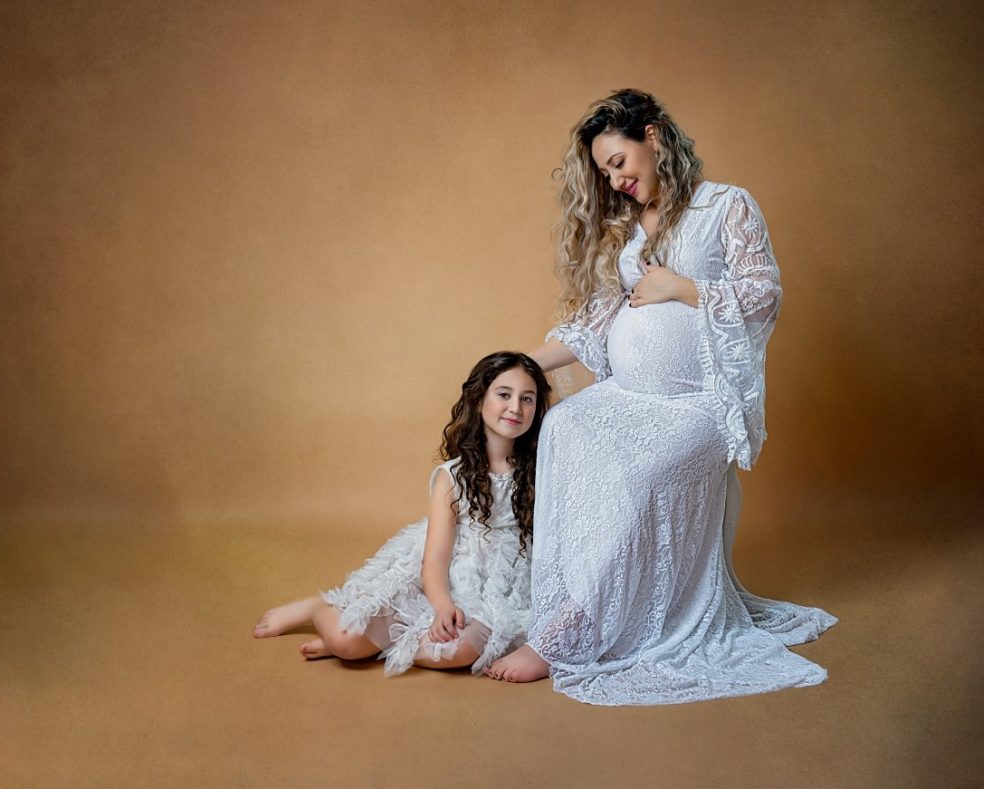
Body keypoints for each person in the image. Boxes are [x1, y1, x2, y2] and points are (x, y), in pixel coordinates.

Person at [485, 90, 838, 705]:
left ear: (652, 137)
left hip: (696, 403)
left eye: (619, 162)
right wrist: (514, 365)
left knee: (642, 476)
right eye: (605, 172)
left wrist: (682, 287)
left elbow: (763, 295)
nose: (615, 180)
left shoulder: (725, 205)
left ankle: (568, 635)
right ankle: (569, 601)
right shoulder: (631, 231)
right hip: (629, 394)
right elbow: (597, 323)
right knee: (563, 427)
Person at [254, 351, 551, 676]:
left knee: (459, 651)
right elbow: (435, 559)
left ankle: (374, 647)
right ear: (480, 400)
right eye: (504, 395)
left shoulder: (542, 468)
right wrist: (443, 607)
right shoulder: (453, 476)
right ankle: (318, 609)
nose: (515, 408)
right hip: (444, 575)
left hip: (501, 586)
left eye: (527, 399)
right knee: (345, 642)